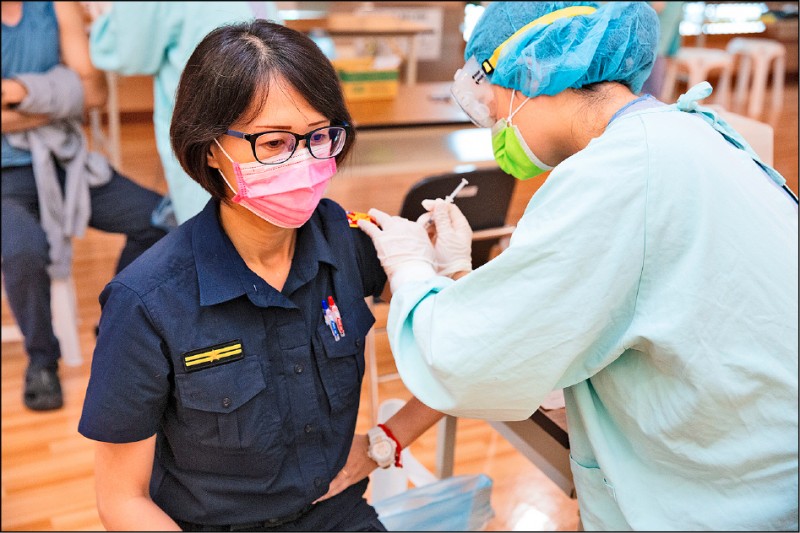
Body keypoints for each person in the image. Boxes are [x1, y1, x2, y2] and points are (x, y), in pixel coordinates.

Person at [356, 2, 798, 530]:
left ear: (531, 70)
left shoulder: (615, 174)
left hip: (722, 501)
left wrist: (411, 268)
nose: (493, 117)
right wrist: (460, 272)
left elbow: (464, 361)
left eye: (487, 96)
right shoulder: (690, 134)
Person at [78, 19, 444, 531]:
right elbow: (121, 500)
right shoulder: (147, 301)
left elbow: (460, 350)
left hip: (337, 515)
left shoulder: (347, 240)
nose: (303, 161)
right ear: (210, 148)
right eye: (273, 142)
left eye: (319, 136)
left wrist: (389, 439)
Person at [2, 1, 167, 412]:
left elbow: (92, 92)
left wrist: (19, 93)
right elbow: (74, 92)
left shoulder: (57, 7)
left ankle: (114, 322)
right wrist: (57, 95)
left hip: (67, 164)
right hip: (5, 180)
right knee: (23, 252)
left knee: (163, 220)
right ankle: (42, 361)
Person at [87, 1, 282, 227]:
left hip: (214, 124)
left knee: (213, 222)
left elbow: (125, 52)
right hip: (266, 112)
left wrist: (101, 16)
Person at [640, 1, 686, 99]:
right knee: (647, 96)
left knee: (651, 96)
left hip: (658, 51)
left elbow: (676, 23)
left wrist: (672, 51)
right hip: (647, 50)